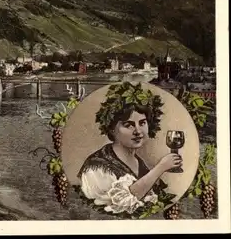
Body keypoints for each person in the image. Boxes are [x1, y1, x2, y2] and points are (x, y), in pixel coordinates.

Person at [77, 82, 183, 215]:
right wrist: (161, 167)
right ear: (112, 129)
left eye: (142, 123)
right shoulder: (96, 168)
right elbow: (121, 204)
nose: (138, 131)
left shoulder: (139, 163)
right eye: (129, 125)